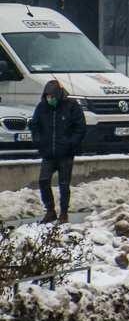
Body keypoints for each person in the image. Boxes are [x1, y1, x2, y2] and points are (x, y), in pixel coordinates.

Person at [30, 80, 86, 224]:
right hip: (48, 153)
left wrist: (72, 142)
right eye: (48, 97)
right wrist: (38, 141)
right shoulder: (42, 108)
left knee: (63, 184)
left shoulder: (71, 106)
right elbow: (35, 125)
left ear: (59, 95)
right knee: (43, 181)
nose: (51, 100)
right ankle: (50, 210)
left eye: (53, 97)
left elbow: (80, 125)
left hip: (66, 153)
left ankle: (64, 213)